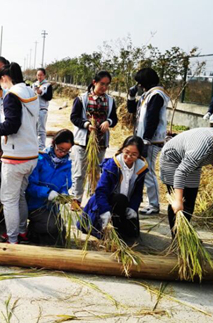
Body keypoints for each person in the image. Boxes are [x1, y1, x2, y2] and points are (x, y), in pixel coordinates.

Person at [0, 63, 40, 244]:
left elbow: (11, 126)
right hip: (31, 154)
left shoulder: (12, 96)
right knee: (20, 194)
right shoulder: (31, 92)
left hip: (16, 156)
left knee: (8, 199)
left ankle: (13, 238)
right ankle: (22, 230)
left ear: (4, 78)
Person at [80, 136, 148, 239]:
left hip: (124, 204)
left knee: (132, 235)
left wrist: (133, 207)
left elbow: (137, 193)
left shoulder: (141, 168)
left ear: (139, 155)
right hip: (108, 203)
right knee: (120, 199)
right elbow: (101, 191)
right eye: (127, 152)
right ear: (122, 149)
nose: (129, 157)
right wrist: (104, 211)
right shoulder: (112, 165)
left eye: (134, 154)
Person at [127, 67, 170, 215]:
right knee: (139, 171)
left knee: (148, 171)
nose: (138, 85)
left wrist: (146, 140)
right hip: (142, 139)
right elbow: (131, 110)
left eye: (139, 82)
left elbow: (152, 119)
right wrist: (131, 97)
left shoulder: (157, 95)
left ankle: (154, 205)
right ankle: (143, 201)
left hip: (151, 141)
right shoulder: (148, 95)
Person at [70, 71, 118, 204]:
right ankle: (76, 200)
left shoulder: (110, 100)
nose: (104, 87)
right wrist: (86, 124)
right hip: (82, 142)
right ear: (94, 82)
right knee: (79, 173)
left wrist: (108, 122)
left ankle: (93, 200)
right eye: (102, 84)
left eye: (107, 84)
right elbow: (74, 117)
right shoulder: (82, 99)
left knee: (95, 172)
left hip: (100, 142)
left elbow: (114, 118)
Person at [26, 129, 74, 247]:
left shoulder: (66, 164)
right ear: (53, 143)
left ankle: (39, 238)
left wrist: (64, 194)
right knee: (51, 226)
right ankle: (31, 231)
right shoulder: (41, 159)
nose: (62, 153)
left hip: (51, 207)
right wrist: (47, 193)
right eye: (60, 149)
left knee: (60, 231)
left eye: (66, 151)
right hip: (35, 205)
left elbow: (65, 185)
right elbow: (30, 186)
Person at [33, 68, 53, 151]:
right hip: (34, 110)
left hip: (42, 110)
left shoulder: (48, 85)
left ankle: (41, 146)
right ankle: (34, 144)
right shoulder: (34, 84)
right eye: (38, 75)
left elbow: (49, 97)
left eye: (41, 75)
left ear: (44, 75)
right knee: (34, 128)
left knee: (41, 129)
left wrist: (41, 93)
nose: (39, 77)